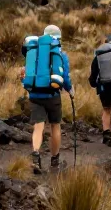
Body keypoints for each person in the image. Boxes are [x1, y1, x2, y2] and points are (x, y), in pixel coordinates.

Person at [21, 24, 72, 174]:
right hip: (52, 95)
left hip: (35, 94)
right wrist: (70, 90)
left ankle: (36, 154)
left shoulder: (35, 51)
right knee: (55, 126)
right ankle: (54, 160)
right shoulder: (60, 54)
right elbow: (65, 77)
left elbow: (28, 71)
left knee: (38, 125)